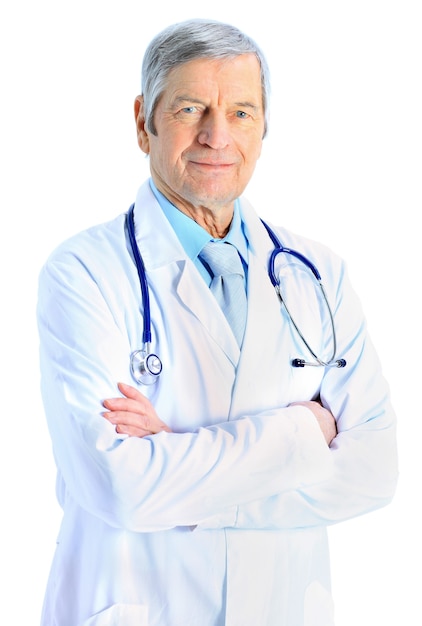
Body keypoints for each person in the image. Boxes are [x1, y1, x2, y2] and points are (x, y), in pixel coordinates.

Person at [37, 18, 398, 626]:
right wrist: (302, 435)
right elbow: (118, 486)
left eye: (241, 113)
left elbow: (374, 471)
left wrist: (175, 458)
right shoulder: (83, 272)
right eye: (189, 108)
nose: (216, 136)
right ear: (142, 121)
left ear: (264, 130)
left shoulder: (318, 276)